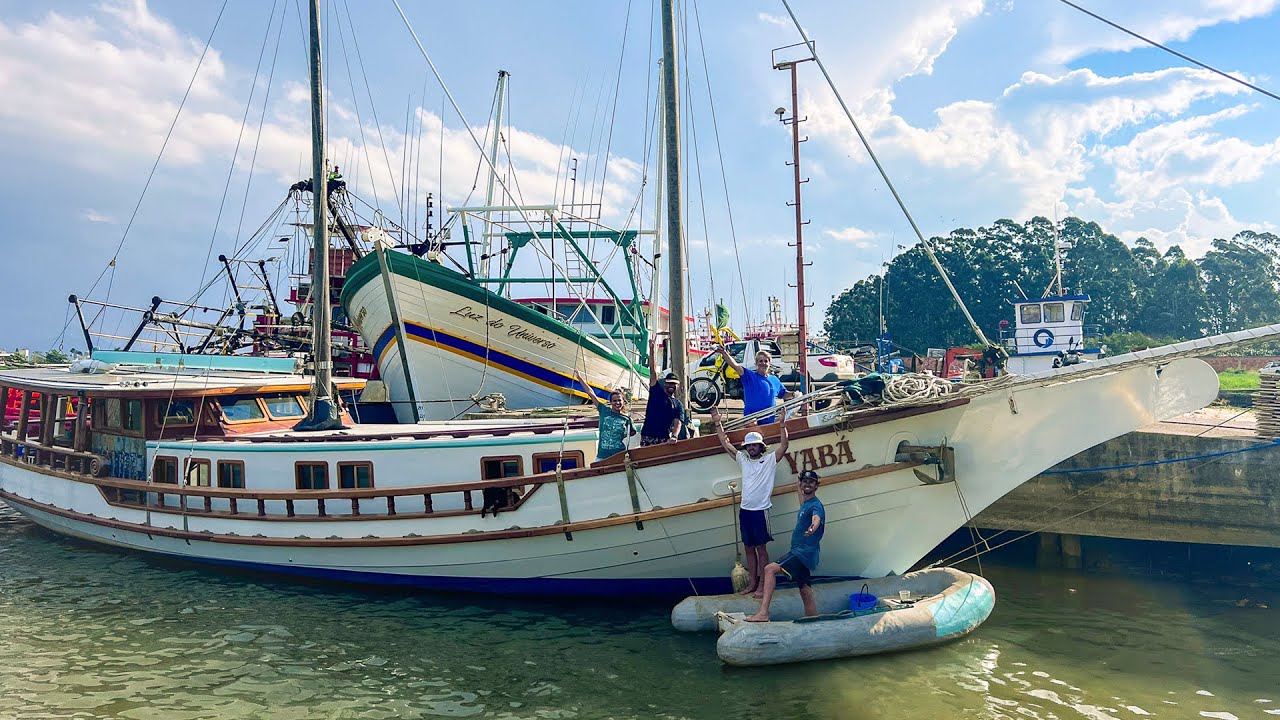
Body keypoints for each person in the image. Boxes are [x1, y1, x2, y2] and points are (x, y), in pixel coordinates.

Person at [711, 406, 789, 596]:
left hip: (761, 511)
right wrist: (717, 422)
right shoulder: (743, 460)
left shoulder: (770, 460)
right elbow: (726, 443)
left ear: (761, 446)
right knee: (748, 548)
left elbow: (784, 446)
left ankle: (763, 585)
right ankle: (752, 583)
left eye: (755, 445)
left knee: (761, 550)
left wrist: (781, 424)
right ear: (746, 448)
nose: (752, 447)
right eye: (749, 445)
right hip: (745, 510)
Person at [747, 469, 825, 622]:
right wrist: (798, 482)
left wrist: (812, 527)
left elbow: (816, 518)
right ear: (801, 483)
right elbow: (801, 494)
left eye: (811, 482)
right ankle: (813, 618)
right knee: (804, 589)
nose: (807, 484)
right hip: (805, 554)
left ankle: (763, 613)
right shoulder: (805, 503)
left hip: (801, 553)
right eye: (805, 481)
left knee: (769, 569)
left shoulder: (816, 506)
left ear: (817, 486)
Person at [575, 370, 635, 460]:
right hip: (602, 456)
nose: (617, 403)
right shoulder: (604, 410)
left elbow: (633, 434)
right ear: (610, 402)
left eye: (619, 400)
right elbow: (591, 393)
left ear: (623, 402)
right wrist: (579, 378)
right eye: (614, 401)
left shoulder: (627, 419)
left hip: (619, 455)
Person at [718, 345, 786, 424]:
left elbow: (784, 394)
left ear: (769, 363)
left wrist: (796, 394)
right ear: (756, 363)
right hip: (752, 421)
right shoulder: (749, 376)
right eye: (760, 361)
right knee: (752, 425)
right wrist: (724, 353)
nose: (763, 363)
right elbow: (735, 366)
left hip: (769, 421)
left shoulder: (774, 380)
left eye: (766, 361)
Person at [640, 338, 684, 446]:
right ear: (664, 383)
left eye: (673, 384)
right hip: (648, 437)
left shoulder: (678, 404)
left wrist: (674, 436)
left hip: (664, 439)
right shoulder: (656, 392)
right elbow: (652, 371)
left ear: (677, 386)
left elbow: (678, 422)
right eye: (669, 383)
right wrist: (652, 350)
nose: (671, 386)